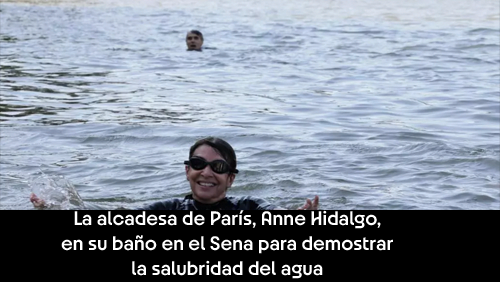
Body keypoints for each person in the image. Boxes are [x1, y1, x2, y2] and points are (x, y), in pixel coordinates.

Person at [30, 137, 320, 210]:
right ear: (187, 171)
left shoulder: (249, 207)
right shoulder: (168, 209)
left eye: (217, 167)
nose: (206, 172)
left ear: (231, 178)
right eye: (197, 164)